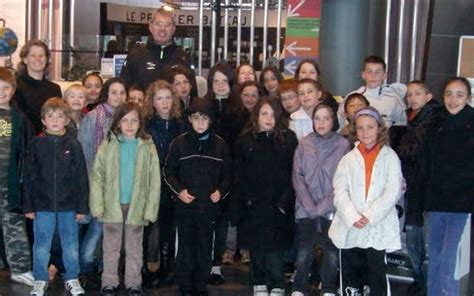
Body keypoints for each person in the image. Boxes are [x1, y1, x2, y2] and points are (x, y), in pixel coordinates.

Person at [329, 107, 403, 296]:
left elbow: (392, 191)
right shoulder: (347, 159)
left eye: (370, 127)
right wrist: (353, 216)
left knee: (376, 277)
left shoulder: (390, 157)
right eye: (360, 128)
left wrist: (369, 216)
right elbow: (340, 191)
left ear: (379, 128)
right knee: (351, 278)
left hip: (376, 226)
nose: (365, 132)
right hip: (351, 225)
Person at [410, 77, 473, 296]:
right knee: (434, 256)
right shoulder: (435, 122)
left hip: (461, 203)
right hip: (435, 201)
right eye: (448, 94)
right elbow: (425, 163)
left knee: (448, 259)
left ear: (468, 97)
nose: (453, 100)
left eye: (459, 95)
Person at [89, 102, 161, 296]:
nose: (129, 125)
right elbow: (97, 176)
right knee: (111, 247)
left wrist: (150, 208)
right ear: (117, 123)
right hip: (112, 204)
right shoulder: (109, 144)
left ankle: (133, 283)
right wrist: (97, 204)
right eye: (125, 120)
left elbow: (155, 180)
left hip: (137, 205)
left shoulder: (147, 145)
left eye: (134, 121)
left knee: (134, 247)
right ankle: (109, 281)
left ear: (140, 123)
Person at [163, 97, 232, 296]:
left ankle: (201, 284)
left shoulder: (220, 145)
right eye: (196, 118)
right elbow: (168, 172)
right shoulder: (179, 144)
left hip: (209, 208)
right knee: (185, 248)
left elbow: (228, 175)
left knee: (205, 247)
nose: (200, 123)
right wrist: (180, 191)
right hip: (185, 207)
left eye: (205, 118)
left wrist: (221, 192)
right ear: (190, 120)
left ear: (210, 121)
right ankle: (185, 285)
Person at [24, 98, 89, 296]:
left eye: (60, 116)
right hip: (42, 206)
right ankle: (40, 279)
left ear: (67, 120)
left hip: (68, 206)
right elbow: (28, 176)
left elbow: (81, 178)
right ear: (43, 120)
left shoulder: (73, 145)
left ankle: (71, 277)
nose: (55, 120)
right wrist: (28, 206)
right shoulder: (36, 144)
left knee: (71, 245)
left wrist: (81, 207)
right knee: (41, 245)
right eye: (50, 116)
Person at [233, 98, 298, 296]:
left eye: (273, 114)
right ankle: (258, 281)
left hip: (279, 202)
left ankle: (277, 283)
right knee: (257, 247)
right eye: (264, 114)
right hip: (253, 202)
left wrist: (287, 199)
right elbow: (239, 174)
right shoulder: (245, 141)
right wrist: (243, 203)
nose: (269, 119)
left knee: (276, 248)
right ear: (256, 116)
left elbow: (294, 172)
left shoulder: (288, 139)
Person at [291, 103, 350, 296]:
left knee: (331, 252)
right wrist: (310, 206)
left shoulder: (342, 144)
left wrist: (323, 206)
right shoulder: (304, 143)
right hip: (305, 208)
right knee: (304, 251)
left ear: (333, 121)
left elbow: (343, 180)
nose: (321, 122)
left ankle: (328, 288)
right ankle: (299, 287)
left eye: (326, 118)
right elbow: (297, 177)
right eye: (317, 118)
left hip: (331, 208)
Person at [390, 80, 438, 295]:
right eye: (409, 95)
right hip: (414, 188)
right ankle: (420, 280)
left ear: (428, 96)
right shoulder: (411, 120)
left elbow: (412, 151)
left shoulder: (433, 118)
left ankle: (425, 282)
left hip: (426, 188)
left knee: (420, 236)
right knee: (413, 235)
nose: (412, 98)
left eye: (417, 94)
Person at [77, 78, 127, 283]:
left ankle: (103, 270)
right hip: (97, 184)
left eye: (122, 92)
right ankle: (85, 266)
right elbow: (84, 152)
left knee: (113, 233)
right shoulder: (93, 117)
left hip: (120, 186)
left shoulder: (127, 118)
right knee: (97, 229)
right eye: (114, 92)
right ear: (106, 94)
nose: (118, 97)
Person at [143, 80, 184, 286]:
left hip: (173, 182)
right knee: (147, 226)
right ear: (153, 102)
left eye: (168, 97)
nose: (165, 102)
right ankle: (144, 268)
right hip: (150, 182)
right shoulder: (146, 125)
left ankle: (167, 268)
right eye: (159, 98)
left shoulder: (180, 124)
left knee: (168, 227)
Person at [0, 67, 34, 286]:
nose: (1, 92)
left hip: (9, 184)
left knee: (14, 225)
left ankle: (20, 268)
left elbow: (28, 149)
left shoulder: (19, 118)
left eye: (6, 88)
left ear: (13, 91)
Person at [120, 7, 194, 91]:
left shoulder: (183, 57)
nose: (162, 29)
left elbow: (192, 93)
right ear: (151, 27)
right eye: (158, 24)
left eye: (167, 25)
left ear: (173, 29)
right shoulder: (136, 56)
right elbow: (124, 88)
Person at [337, 55, 407, 128]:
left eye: (378, 72)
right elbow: (341, 122)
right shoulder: (351, 98)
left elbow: (401, 126)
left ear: (384, 75)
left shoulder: (394, 99)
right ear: (363, 75)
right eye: (369, 72)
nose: (373, 76)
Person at [14, 39, 62, 134]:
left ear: (46, 59)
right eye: (33, 56)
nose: (38, 59)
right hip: (23, 140)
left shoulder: (55, 89)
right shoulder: (15, 86)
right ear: (25, 59)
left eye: (41, 56)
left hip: (48, 141)